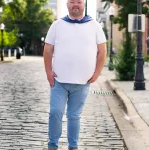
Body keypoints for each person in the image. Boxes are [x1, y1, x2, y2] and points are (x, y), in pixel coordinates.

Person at [43, 0, 107, 149]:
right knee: (55, 112)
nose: (75, 4)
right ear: (67, 4)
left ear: (83, 4)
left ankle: (73, 146)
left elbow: (102, 50)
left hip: (82, 82)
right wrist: (48, 72)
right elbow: (48, 49)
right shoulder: (57, 25)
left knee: (74, 116)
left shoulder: (94, 26)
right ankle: (52, 145)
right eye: (72, 1)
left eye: (79, 1)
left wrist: (97, 72)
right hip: (59, 80)